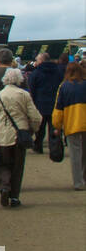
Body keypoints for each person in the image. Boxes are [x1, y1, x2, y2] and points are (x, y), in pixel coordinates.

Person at [0, 67, 42, 207]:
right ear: (19, 80)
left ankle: (5, 185)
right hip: (20, 136)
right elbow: (36, 117)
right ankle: (15, 197)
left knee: (3, 164)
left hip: (3, 136)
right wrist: (32, 129)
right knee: (18, 166)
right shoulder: (24, 95)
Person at [51, 62, 86, 190]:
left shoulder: (63, 87)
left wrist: (57, 125)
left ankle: (78, 183)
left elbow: (58, 108)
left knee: (75, 155)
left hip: (72, 124)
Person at [28, 51, 64, 153]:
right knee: (54, 128)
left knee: (39, 129)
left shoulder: (36, 73)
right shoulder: (58, 72)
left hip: (40, 104)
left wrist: (32, 104)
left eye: (37, 60)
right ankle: (54, 148)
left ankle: (38, 146)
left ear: (41, 60)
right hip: (55, 104)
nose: (36, 62)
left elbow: (32, 90)